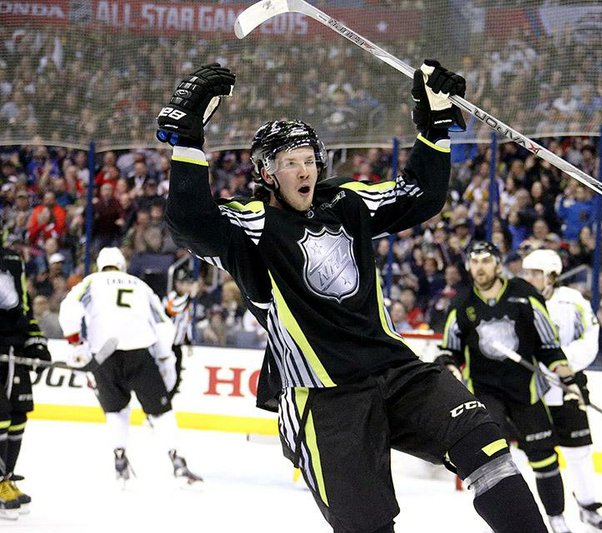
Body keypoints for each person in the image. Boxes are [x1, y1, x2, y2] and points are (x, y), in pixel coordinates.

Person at [157, 62, 548, 532]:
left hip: (396, 370)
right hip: (323, 397)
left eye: (308, 160)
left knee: (484, 442)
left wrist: (434, 123)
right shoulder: (250, 225)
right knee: (367, 524)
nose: (304, 170)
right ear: (265, 172)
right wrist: (187, 139)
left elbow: (421, 196)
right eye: (289, 163)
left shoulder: (347, 202)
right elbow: (189, 222)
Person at [438, 241, 586, 533]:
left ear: (498, 263)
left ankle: (556, 517)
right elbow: (448, 352)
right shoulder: (461, 304)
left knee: (544, 455)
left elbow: (549, 347)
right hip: (484, 393)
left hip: (525, 391)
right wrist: (450, 366)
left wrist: (570, 381)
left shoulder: (525, 296)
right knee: (492, 457)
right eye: (474, 261)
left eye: (485, 260)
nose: (479, 267)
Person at [57, 247, 201, 486]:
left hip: (103, 356)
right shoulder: (139, 285)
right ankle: (178, 464)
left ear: (101, 265)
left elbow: (68, 309)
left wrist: (76, 345)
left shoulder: (92, 281)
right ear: (122, 265)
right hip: (139, 353)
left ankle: (120, 462)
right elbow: (164, 325)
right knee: (160, 412)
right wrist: (165, 359)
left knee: (116, 411)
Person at [521, 248, 602, 530]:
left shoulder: (573, 301)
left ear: (552, 275)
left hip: (569, 384)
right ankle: (555, 516)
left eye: (536, 273)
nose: (530, 278)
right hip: (534, 389)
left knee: (579, 450)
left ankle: (587, 505)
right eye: (528, 273)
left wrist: (561, 366)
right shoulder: (521, 301)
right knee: (543, 455)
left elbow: (590, 339)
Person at [0, 236, 52, 518]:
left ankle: (5, 478)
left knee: (18, 415)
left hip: (12, 349)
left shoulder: (12, 261)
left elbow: (24, 309)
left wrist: (35, 341)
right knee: (1, 416)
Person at [162, 269, 195, 400]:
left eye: (189, 283)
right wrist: (191, 297)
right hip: (165, 347)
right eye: (185, 283)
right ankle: (158, 408)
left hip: (177, 347)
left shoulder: (188, 302)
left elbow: (186, 323)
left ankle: (165, 406)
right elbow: (174, 309)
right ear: (177, 284)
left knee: (175, 381)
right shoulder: (170, 298)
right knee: (164, 379)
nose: (188, 286)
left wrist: (189, 342)